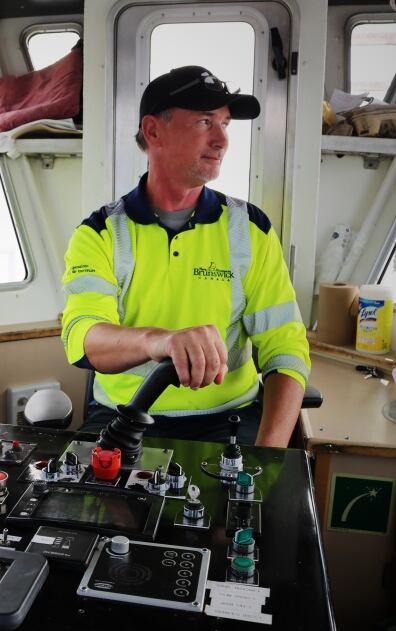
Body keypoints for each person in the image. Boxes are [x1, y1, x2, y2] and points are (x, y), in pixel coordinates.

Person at [61, 66, 309, 447]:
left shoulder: (251, 229)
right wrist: (159, 341)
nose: (222, 140)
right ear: (153, 130)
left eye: (225, 123)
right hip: (120, 416)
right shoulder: (100, 233)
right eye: (205, 122)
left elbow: (286, 349)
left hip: (226, 419)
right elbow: (82, 336)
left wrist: (268, 456)